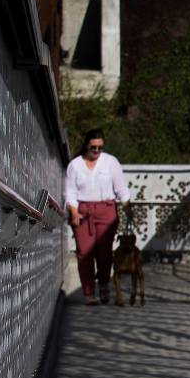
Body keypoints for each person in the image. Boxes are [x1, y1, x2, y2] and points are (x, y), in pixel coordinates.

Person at [65, 129, 132, 305]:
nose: (96, 151)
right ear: (87, 145)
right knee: (84, 253)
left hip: (106, 210)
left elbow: (121, 188)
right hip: (83, 211)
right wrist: (73, 212)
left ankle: (103, 285)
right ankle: (89, 292)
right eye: (93, 147)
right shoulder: (75, 165)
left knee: (104, 253)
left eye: (100, 147)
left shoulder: (111, 162)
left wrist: (127, 207)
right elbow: (70, 192)